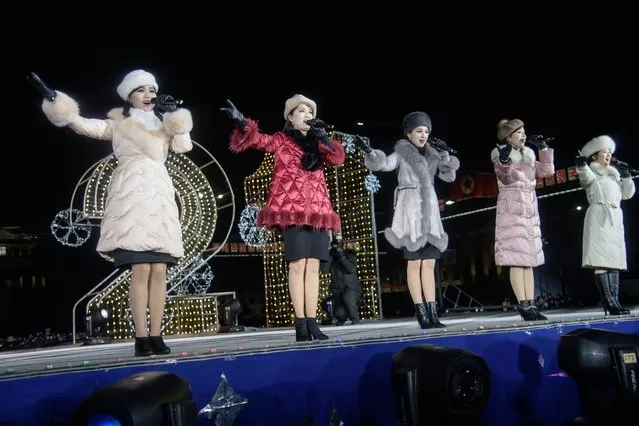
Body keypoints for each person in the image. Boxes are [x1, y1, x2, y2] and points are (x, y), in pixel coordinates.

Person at [40, 69, 194, 356]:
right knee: (141, 269)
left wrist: (176, 119)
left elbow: (184, 147)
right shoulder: (120, 124)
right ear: (130, 96)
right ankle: (141, 338)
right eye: (141, 90)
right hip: (131, 194)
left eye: (152, 89)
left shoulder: (163, 124)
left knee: (159, 270)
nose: (149, 95)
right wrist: (59, 105)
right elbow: (86, 126)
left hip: (159, 195)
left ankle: (157, 335)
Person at [221, 94, 346, 341]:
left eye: (310, 111)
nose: (307, 115)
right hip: (293, 212)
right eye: (301, 111)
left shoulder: (319, 143)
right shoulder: (281, 140)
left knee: (313, 268)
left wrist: (322, 138)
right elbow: (257, 140)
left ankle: (313, 322)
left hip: (319, 213)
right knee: (298, 265)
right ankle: (300, 324)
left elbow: (337, 159)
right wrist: (241, 122)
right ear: (290, 117)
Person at [353, 111, 459, 329]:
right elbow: (384, 165)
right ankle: (420, 312)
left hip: (429, 212)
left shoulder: (433, 154)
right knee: (414, 262)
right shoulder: (401, 152)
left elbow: (448, 176)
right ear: (409, 133)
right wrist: (370, 153)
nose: (423, 135)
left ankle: (432, 312)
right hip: (410, 210)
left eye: (426, 131)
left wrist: (446, 155)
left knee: (429, 263)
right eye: (419, 131)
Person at [491, 119, 555, 321]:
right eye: (518, 132)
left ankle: (532, 304)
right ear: (508, 137)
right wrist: (503, 161)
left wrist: (544, 149)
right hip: (512, 209)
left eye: (524, 131)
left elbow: (547, 172)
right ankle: (523, 305)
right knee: (516, 261)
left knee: (529, 261)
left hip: (529, 209)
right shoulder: (501, 155)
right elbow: (505, 178)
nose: (523, 135)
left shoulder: (528, 155)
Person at [575, 135, 635, 315]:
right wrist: (581, 166)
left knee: (614, 261)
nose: (608, 155)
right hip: (599, 218)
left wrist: (626, 176)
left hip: (615, 220)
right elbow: (585, 179)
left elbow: (627, 194)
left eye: (609, 152)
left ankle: (615, 302)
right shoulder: (592, 172)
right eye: (604, 152)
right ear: (595, 156)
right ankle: (608, 302)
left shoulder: (614, 175)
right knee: (601, 260)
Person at [320, 238, 362, 325]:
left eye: (339, 246)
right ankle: (342, 317)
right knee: (339, 314)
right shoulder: (330, 258)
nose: (337, 249)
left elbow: (351, 269)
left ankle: (355, 319)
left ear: (343, 246)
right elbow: (324, 270)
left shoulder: (349, 255)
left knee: (348, 296)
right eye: (335, 247)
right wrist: (331, 255)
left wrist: (342, 258)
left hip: (352, 290)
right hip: (338, 292)